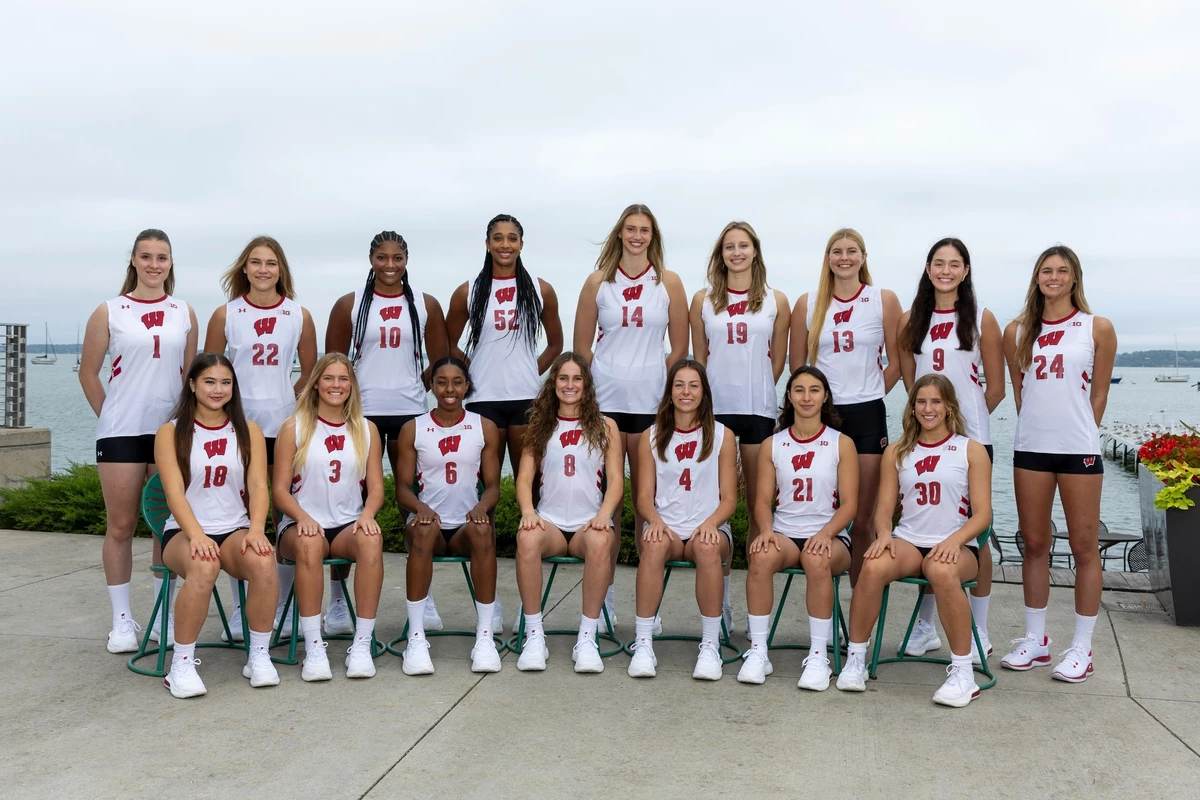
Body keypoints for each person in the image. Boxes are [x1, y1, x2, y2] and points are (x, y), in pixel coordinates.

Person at [836, 375, 993, 708]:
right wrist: (882, 536)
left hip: (957, 544)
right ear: (912, 408)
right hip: (908, 539)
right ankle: (855, 659)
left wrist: (956, 540)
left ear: (950, 406)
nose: (928, 408)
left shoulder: (971, 450)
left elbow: (983, 515)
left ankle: (963, 674)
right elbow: (883, 510)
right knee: (873, 564)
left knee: (941, 570)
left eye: (936, 401)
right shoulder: (897, 450)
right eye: (921, 402)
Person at [1001, 245, 1116, 682]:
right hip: (1031, 446)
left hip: (1078, 449)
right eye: (1046, 271)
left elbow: (1099, 392)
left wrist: (1083, 431)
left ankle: (1082, 647)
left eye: (1061, 271)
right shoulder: (1016, 331)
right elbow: (1019, 387)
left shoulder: (1096, 327)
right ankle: (1036, 640)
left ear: (1074, 278)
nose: (1053, 277)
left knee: (1085, 549)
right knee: (1033, 543)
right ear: (1036, 278)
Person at [79, 229, 198, 654]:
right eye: (145, 256)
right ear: (133, 259)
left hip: (169, 433)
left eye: (161, 257)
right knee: (122, 526)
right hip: (121, 433)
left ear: (170, 262)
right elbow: (88, 373)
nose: (153, 264)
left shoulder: (183, 311)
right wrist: (111, 416)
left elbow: (190, 380)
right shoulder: (110, 311)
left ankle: (164, 613)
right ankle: (122, 621)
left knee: (165, 528)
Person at [326, 231, 451, 632]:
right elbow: (333, 364)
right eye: (382, 257)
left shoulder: (425, 305)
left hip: (410, 413)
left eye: (398, 257)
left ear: (407, 259)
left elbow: (439, 362)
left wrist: (416, 387)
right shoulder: (351, 305)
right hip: (361, 417)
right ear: (371, 259)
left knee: (411, 503)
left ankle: (424, 598)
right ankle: (338, 603)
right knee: (349, 504)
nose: (390, 265)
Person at [574, 204, 689, 626]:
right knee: (609, 503)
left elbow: (678, 350)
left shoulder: (669, 282)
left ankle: (648, 607)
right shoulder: (597, 283)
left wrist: (664, 393)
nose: (637, 236)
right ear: (619, 234)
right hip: (605, 405)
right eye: (630, 229)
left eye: (644, 230)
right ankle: (604, 603)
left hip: (649, 406)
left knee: (647, 506)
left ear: (652, 235)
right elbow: (581, 351)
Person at [447, 214, 563, 634]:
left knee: (530, 492)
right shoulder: (469, 291)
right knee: (489, 501)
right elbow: (448, 342)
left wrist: (530, 372)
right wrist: (472, 369)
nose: (505, 245)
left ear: (522, 243)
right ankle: (489, 602)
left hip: (526, 402)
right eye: (498, 238)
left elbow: (556, 343)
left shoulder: (539, 289)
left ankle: (527, 603)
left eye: (512, 238)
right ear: (487, 242)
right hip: (482, 403)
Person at [205, 235, 319, 644]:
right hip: (235, 428)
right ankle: (240, 610)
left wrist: (288, 399)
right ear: (244, 268)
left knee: (279, 515)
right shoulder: (226, 314)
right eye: (256, 262)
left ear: (281, 269)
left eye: (271, 263)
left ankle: (282, 607)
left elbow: (310, 371)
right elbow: (210, 371)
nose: (263, 270)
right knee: (239, 519)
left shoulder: (298, 314)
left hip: (282, 426)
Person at [897, 238, 1005, 663]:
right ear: (928, 269)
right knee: (926, 531)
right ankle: (925, 627)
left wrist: (963, 428)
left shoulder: (981, 318)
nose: (945, 270)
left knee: (974, 540)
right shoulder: (911, 319)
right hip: (923, 441)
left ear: (965, 270)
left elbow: (994, 386)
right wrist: (930, 423)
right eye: (938, 263)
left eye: (954, 264)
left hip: (971, 440)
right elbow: (911, 383)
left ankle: (978, 628)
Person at [155, 353, 279, 697]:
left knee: (264, 560)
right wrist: (196, 535)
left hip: (234, 528)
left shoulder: (248, 430)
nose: (218, 389)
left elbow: (257, 487)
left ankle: (258, 655)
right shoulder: (171, 432)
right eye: (209, 381)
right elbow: (174, 493)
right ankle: (180, 665)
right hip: (184, 532)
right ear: (192, 385)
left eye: (226, 382)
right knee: (204, 565)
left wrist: (256, 530)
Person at [690, 221, 790, 633]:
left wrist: (760, 390)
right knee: (716, 505)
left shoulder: (774, 300)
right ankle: (724, 602)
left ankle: (754, 609)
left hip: (756, 409)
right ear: (721, 254)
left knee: (755, 507)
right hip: (715, 413)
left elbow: (778, 360)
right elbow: (700, 357)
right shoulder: (703, 300)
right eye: (729, 247)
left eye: (743, 246)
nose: (736, 253)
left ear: (755, 251)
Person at [789, 228, 902, 584]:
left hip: (867, 413)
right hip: (824, 416)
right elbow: (798, 367)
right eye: (837, 251)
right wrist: (817, 402)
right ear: (827, 258)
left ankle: (858, 612)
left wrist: (868, 392)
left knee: (864, 518)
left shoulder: (882, 299)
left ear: (863, 257)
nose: (844, 257)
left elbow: (897, 363)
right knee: (826, 516)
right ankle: (828, 605)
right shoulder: (808, 303)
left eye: (852, 251)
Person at [739, 366, 856, 690]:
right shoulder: (773, 444)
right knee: (760, 558)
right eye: (799, 390)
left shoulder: (840, 443)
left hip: (829, 536)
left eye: (814, 390)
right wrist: (766, 530)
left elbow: (849, 505)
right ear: (789, 396)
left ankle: (819, 656)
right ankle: (759, 651)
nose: (807, 397)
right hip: (786, 533)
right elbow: (762, 501)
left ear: (825, 396)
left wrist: (826, 534)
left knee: (818, 559)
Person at [272, 354, 385, 681]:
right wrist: (301, 516)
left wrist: (367, 514)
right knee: (308, 543)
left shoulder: (366, 428)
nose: (336, 385)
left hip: (347, 525)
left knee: (372, 539)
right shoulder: (294, 427)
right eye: (329, 378)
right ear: (316, 383)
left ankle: (361, 644)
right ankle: (314, 647)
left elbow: (376, 487)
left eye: (343, 379)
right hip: (301, 525)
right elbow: (279, 489)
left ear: (352, 385)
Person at [512, 353, 623, 673]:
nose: (570, 385)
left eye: (577, 379)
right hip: (551, 523)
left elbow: (616, 480)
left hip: (588, 523)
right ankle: (535, 635)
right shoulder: (540, 425)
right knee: (527, 539)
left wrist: (605, 514)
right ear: (553, 383)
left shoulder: (606, 426)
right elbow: (524, 477)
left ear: (587, 385)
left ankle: (586, 638)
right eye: (563, 378)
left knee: (602, 542)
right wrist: (528, 511)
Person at [627, 360, 737, 681]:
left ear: (704, 392)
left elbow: (729, 498)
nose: (685, 392)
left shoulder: (721, 436)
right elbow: (644, 497)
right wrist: (655, 520)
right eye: (679, 385)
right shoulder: (650, 436)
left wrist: (711, 523)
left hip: (710, 526)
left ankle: (709, 645)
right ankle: (644, 642)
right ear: (669, 392)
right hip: (669, 527)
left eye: (693, 385)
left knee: (706, 548)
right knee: (653, 544)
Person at [394, 357, 505, 675]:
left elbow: (494, 486)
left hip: (464, 529)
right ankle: (416, 638)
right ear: (431, 385)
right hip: (428, 525)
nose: (449, 388)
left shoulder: (483, 427)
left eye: (457, 381)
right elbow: (402, 488)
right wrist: (419, 507)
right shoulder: (413, 428)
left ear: (467, 386)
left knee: (483, 531)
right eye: (441, 381)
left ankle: (484, 637)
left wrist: (482, 506)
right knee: (424, 531)